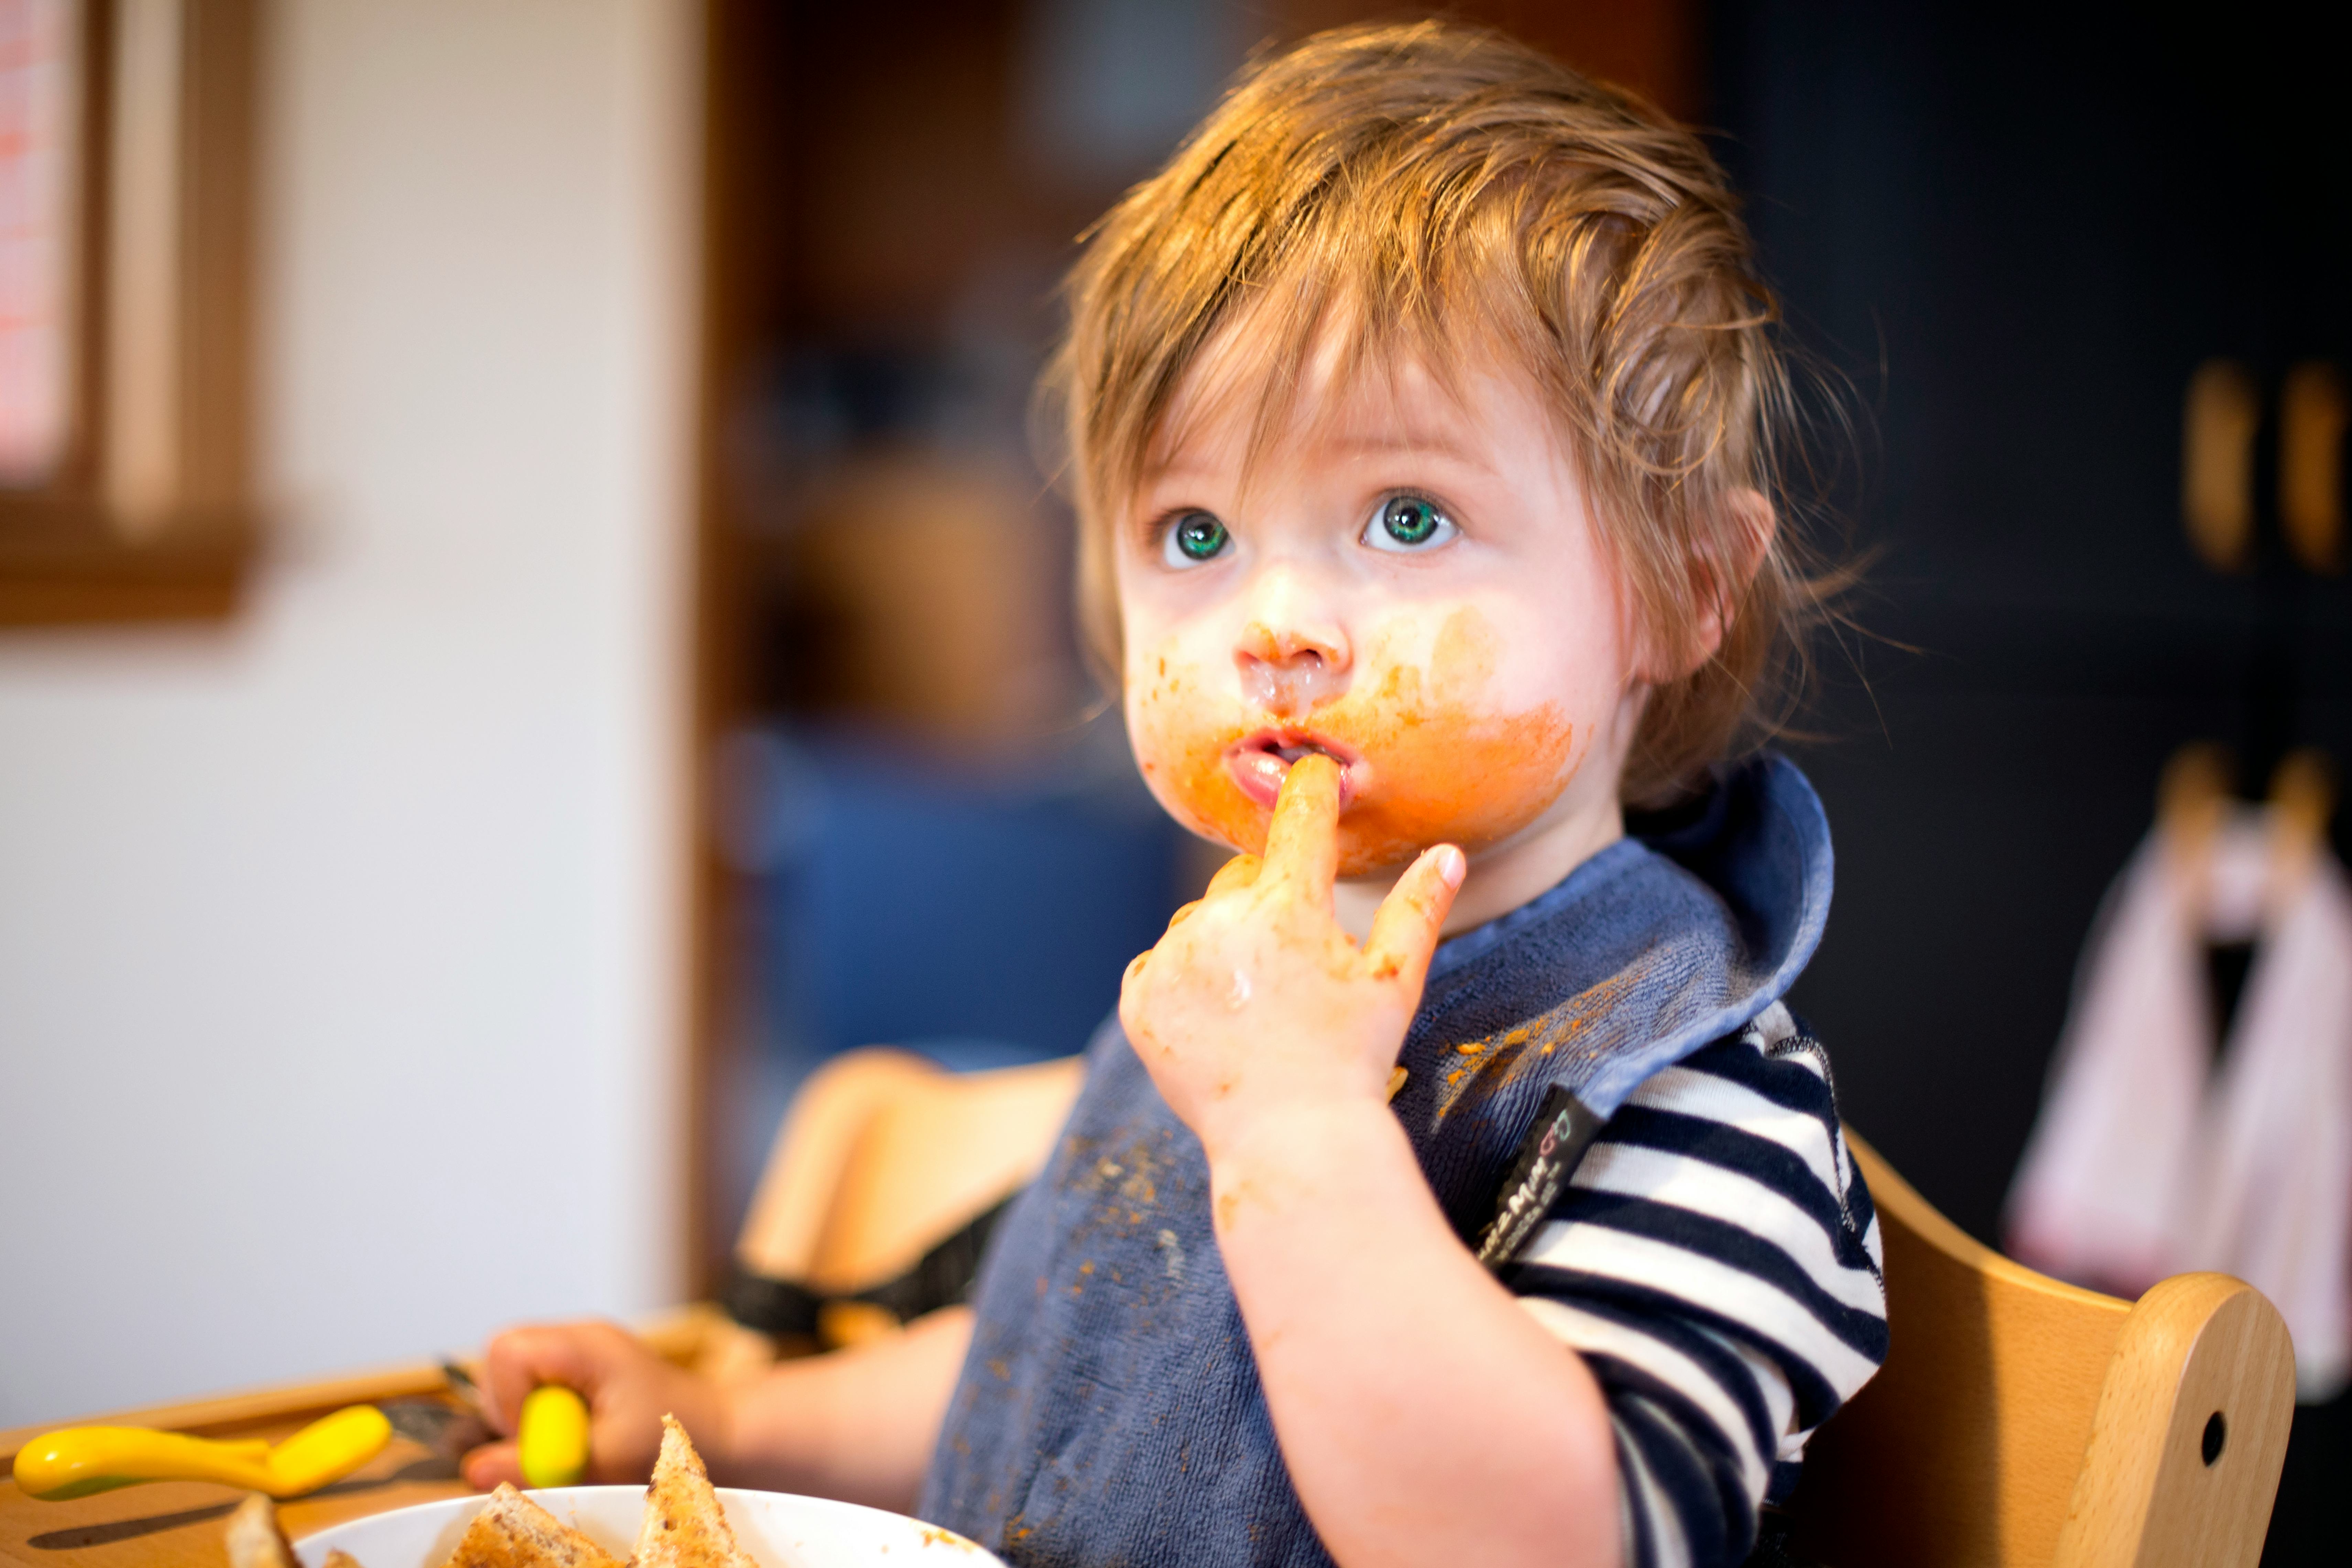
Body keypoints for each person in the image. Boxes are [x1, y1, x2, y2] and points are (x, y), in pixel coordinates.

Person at [464, 21, 1885, 1568]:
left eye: (1409, 514)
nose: (1274, 623)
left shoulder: (1691, 1101)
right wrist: (728, 1425)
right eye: (1195, 535)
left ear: (1682, 591)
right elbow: (1069, 1373)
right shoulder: (1231, 988)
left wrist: (1296, 1130)